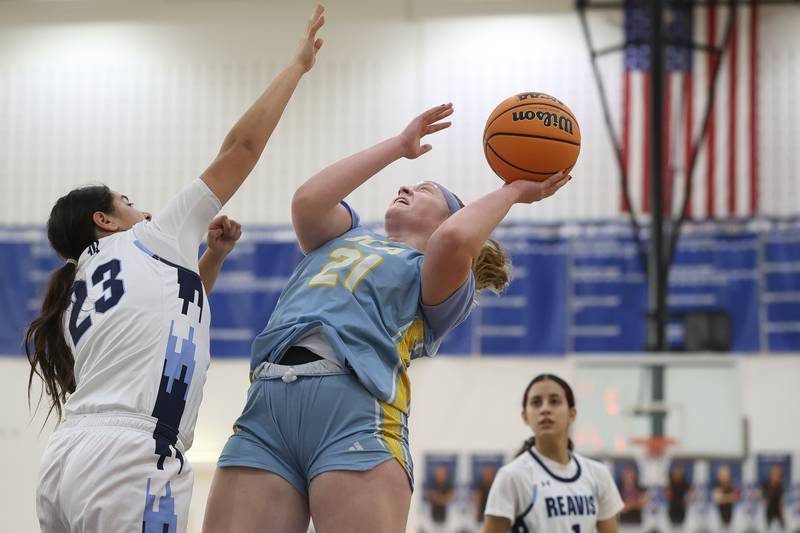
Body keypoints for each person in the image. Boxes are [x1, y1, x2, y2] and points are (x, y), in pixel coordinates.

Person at [201, 103, 572, 532]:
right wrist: (398, 146)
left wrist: (514, 190)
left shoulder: (440, 275)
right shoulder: (345, 236)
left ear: (447, 218)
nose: (406, 187)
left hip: (355, 413)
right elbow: (309, 198)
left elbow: (453, 240)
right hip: (266, 406)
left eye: (426, 189)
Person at [27, 5, 326, 532]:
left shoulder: (75, 288)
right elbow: (243, 147)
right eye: (127, 200)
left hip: (66, 460)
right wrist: (298, 67)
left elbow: (173, 314)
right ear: (105, 220)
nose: (142, 207)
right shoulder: (151, 236)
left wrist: (209, 259)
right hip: (130, 459)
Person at [482, 374, 623, 533]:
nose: (545, 409)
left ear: (572, 414)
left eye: (554, 401)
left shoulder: (598, 475)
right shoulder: (512, 476)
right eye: (536, 403)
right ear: (525, 416)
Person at [713, 464, 740, 528]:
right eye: (722, 474)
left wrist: (725, 497)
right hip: (719, 517)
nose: (725, 476)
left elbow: (737, 496)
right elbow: (718, 498)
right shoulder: (716, 485)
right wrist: (730, 497)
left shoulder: (733, 484)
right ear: (719, 475)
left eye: (726, 474)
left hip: (732, 516)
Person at [762, 464, 785, 529]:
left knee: (782, 527)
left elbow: (781, 502)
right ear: (771, 474)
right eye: (774, 473)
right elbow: (759, 494)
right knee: (768, 527)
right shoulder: (766, 484)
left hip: (778, 509)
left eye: (778, 474)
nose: (775, 475)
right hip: (769, 510)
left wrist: (782, 516)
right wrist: (763, 502)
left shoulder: (780, 486)